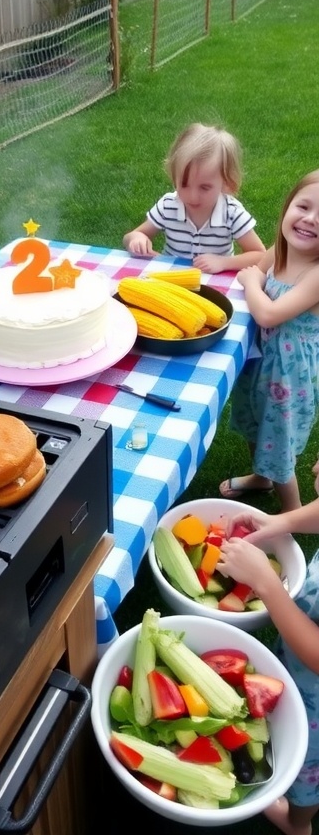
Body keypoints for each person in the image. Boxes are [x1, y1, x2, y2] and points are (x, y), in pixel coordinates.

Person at [218, 472, 319, 835]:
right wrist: (281, 521)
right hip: (297, 662)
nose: (314, 466)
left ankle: (297, 822)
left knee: (308, 767)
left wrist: (267, 584)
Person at [219, 170, 319, 512]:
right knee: (253, 421)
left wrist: (250, 285)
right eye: (303, 206)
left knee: (278, 442)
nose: (310, 219)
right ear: (288, 207)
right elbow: (259, 270)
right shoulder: (281, 249)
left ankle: (292, 513)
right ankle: (261, 478)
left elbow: (269, 314)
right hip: (262, 361)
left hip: (290, 377)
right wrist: (255, 278)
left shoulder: (316, 274)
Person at [123, 122, 266, 273]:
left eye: (204, 187)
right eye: (184, 184)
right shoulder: (168, 205)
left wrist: (223, 262)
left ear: (226, 182)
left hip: (213, 285)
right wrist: (136, 239)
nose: (193, 197)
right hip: (170, 280)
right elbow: (131, 236)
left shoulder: (231, 212)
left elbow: (260, 255)